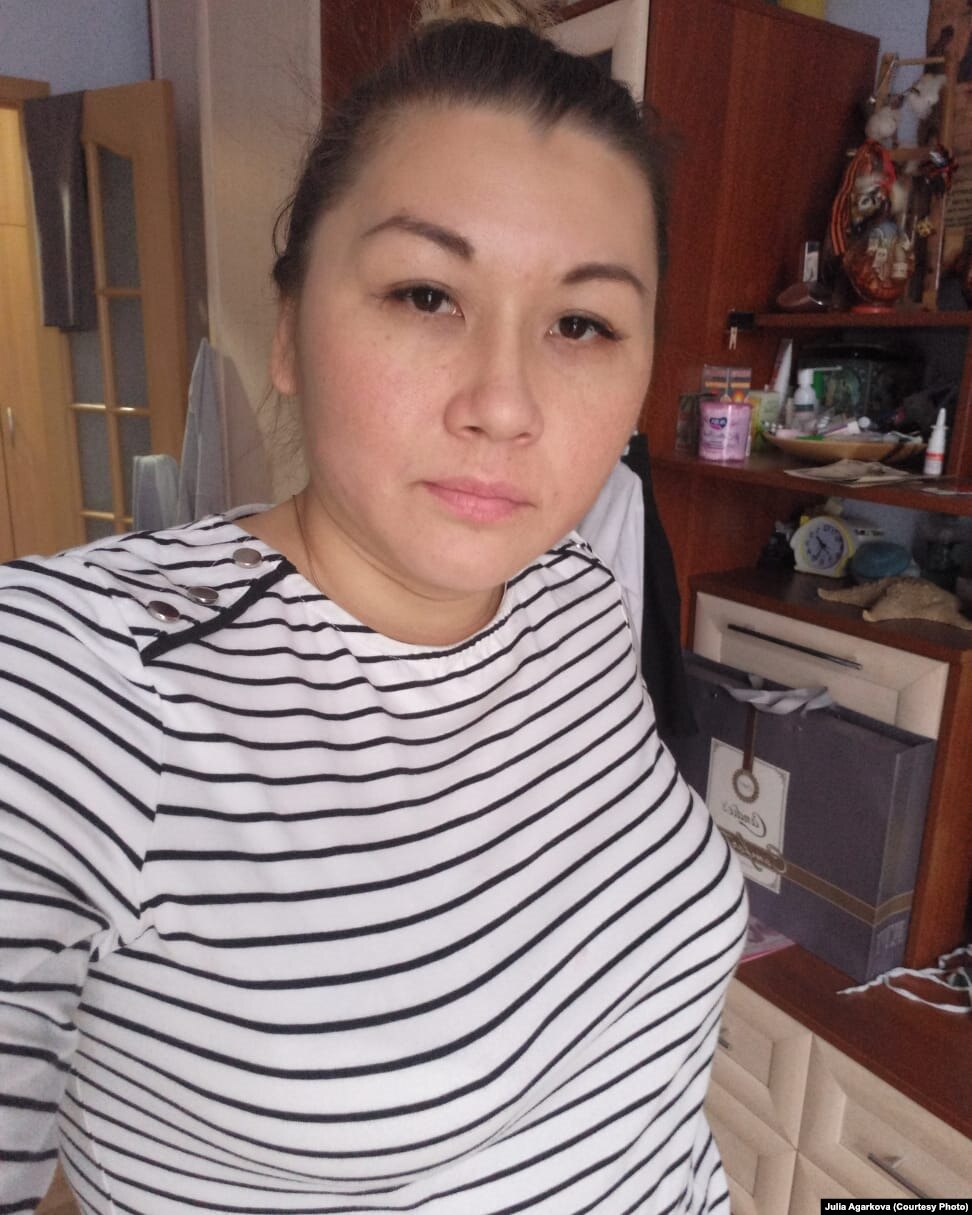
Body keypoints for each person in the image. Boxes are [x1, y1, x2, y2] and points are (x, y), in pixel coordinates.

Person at [0, 2, 747, 1210]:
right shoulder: (66, 689)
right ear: (287, 329)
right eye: (425, 295)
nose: (503, 403)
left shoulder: (575, 597)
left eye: (581, 324)